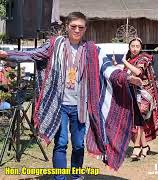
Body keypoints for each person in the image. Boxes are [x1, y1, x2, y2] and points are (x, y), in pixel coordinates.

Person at [0, 12, 107, 179]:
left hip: (80, 107)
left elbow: (107, 67)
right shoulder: (55, 45)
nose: (77, 30)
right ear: (67, 27)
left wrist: (127, 77)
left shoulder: (91, 50)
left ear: (85, 29)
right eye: (73, 27)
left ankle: (76, 175)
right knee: (61, 143)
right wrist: (8, 55)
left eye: (80, 27)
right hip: (59, 106)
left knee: (78, 145)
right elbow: (32, 54)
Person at [122, 38, 158, 160]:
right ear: (129, 47)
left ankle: (137, 147)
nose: (135, 48)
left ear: (141, 47)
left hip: (145, 93)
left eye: (137, 46)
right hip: (132, 93)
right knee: (135, 121)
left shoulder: (144, 58)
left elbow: (138, 72)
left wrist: (123, 62)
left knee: (140, 118)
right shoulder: (129, 59)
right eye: (133, 46)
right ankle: (145, 146)